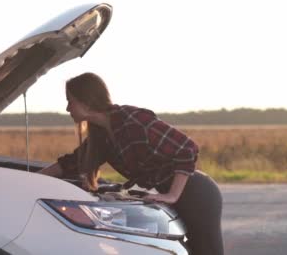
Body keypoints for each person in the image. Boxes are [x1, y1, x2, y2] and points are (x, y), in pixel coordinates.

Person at [39, 72, 224, 255]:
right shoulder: (101, 135)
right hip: (176, 193)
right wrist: (31, 179)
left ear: (86, 101)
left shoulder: (132, 119)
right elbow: (71, 163)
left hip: (197, 194)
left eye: (70, 101)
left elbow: (187, 148)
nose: (67, 108)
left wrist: (172, 195)